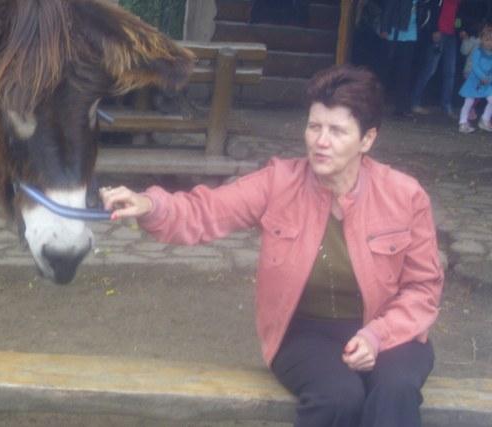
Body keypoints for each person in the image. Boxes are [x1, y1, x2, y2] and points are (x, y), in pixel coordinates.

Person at [100, 64, 444, 427]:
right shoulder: (279, 182)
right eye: (314, 126)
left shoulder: (405, 196)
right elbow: (206, 210)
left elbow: (423, 290)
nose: (321, 141)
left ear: (367, 139)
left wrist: (376, 335)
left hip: (391, 329)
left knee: (395, 390)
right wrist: (150, 205)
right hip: (305, 333)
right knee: (338, 397)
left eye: (337, 131)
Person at [410, 0, 461, 117]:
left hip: (452, 34)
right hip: (439, 32)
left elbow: (459, 14)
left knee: (450, 72)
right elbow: (432, 9)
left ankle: (446, 105)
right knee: (429, 69)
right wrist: (434, 29)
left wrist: (459, 28)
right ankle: (415, 101)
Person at [377, 0, 422, 117]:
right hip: (395, 32)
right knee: (386, 71)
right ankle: (376, 103)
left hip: (411, 33)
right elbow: (389, 7)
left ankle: (401, 107)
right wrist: (384, 28)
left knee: (405, 73)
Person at [458, 25, 492, 133]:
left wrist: (489, 78)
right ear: (481, 39)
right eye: (487, 39)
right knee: (469, 102)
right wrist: (482, 77)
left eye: (491, 40)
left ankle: (485, 120)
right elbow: (475, 66)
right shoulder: (478, 51)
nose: (489, 43)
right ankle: (463, 123)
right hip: (474, 82)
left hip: (487, 82)